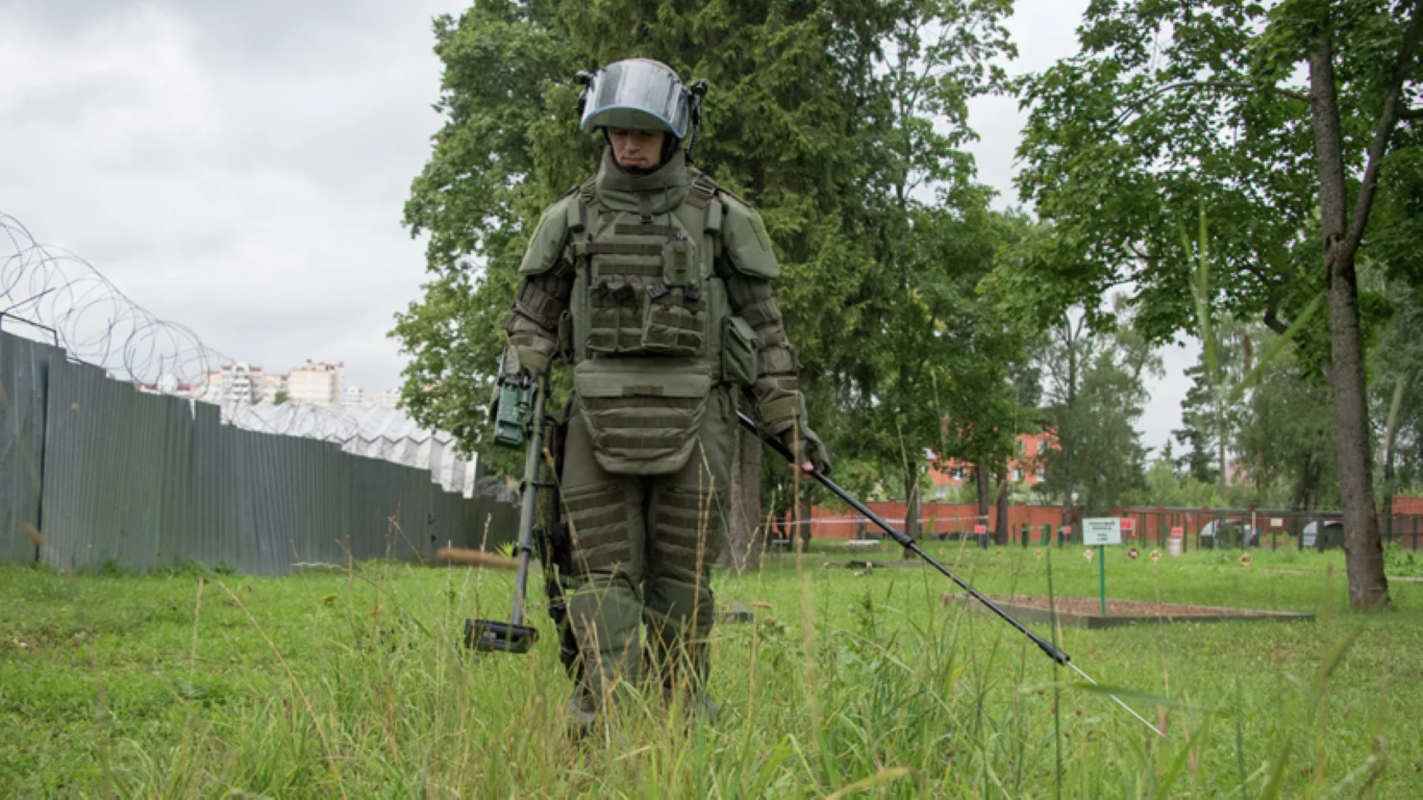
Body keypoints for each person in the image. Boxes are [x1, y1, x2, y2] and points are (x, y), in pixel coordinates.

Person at [500, 58, 829, 729]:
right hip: (596, 418)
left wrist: (786, 426)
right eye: (617, 131)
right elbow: (531, 317)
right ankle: (605, 708)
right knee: (598, 575)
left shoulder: (718, 218)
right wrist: (519, 384)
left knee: (681, 576)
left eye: (643, 132)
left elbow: (766, 333)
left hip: (698, 417)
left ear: (675, 132)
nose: (628, 144)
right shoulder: (570, 220)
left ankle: (682, 704)